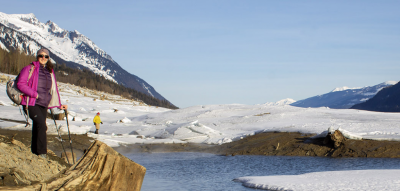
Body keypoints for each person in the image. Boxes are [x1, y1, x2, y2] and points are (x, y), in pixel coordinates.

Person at [17, 48, 68, 158]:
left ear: (48, 58)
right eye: (41, 56)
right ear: (37, 56)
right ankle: (42, 153)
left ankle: (35, 152)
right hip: (31, 102)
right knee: (41, 125)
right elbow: (21, 84)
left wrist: (58, 104)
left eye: (46, 56)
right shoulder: (29, 69)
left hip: (44, 104)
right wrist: (35, 94)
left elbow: (53, 89)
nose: (43, 58)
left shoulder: (49, 71)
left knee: (38, 126)